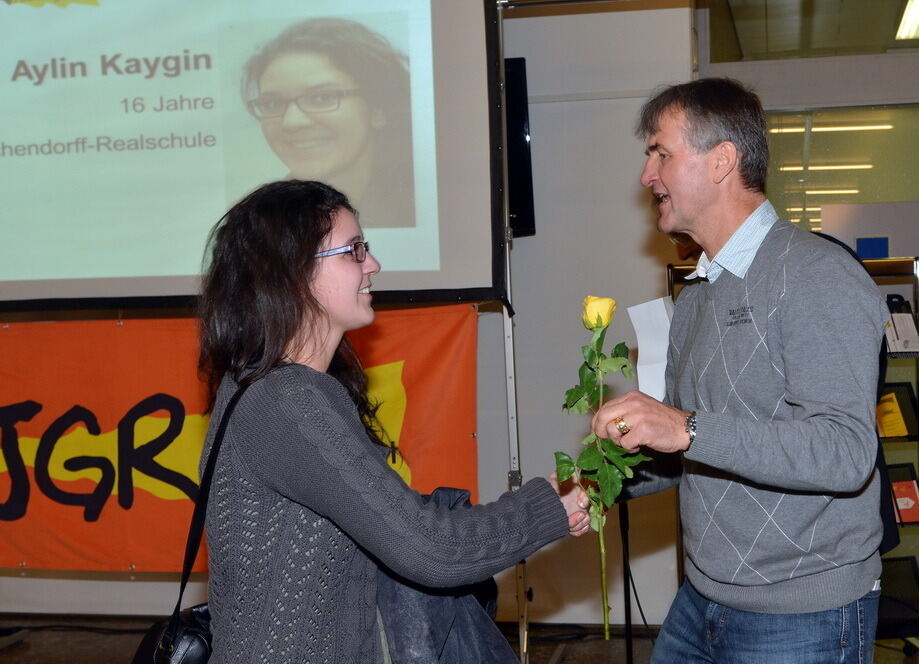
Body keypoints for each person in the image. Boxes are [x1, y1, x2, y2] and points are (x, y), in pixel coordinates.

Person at [197, 179, 590, 663]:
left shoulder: (269, 387)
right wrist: (546, 505)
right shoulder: (287, 401)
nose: (373, 265)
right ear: (293, 273)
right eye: (354, 251)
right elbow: (431, 550)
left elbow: (392, 523)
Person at [592, 78, 890, 663]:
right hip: (702, 599)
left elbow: (845, 452)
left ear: (722, 160)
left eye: (661, 152)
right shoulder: (698, 295)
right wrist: (599, 482)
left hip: (804, 614)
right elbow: (697, 449)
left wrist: (686, 427)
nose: (647, 176)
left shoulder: (815, 274)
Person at [242, 17, 415, 228]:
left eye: (321, 98)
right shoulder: (261, 221)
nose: (292, 122)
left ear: (377, 108)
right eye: (273, 103)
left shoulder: (423, 203)